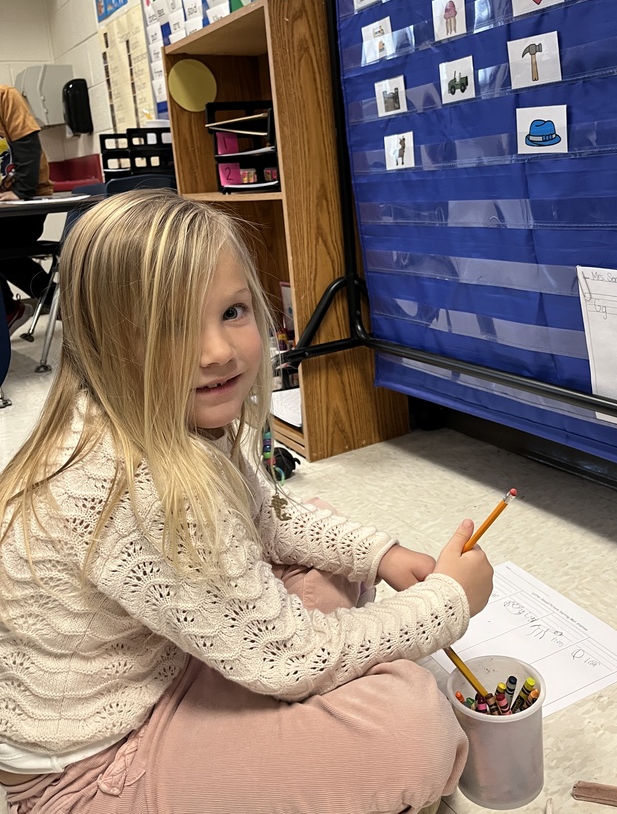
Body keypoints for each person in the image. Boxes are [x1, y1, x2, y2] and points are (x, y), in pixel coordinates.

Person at [0, 190, 494, 814]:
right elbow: (292, 659)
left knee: (328, 553)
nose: (217, 353)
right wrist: (447, 603)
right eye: (172, 326)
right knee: (408, 725)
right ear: (106, 343)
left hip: (159, 666)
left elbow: (268, 518)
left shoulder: (169, 413)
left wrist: (380, 555)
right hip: (90, 774)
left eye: (233, 311)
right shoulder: (140, 485)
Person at [0, 84, 55, 335]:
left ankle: (51, 302)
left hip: (27, 200)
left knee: (5, 252)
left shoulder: (5, 96)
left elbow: (27, 143)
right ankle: (13, 309)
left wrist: (22, 190)